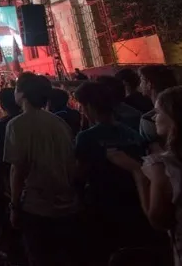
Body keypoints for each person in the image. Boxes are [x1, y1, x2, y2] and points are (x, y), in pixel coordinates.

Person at [108, 87, 182, 266]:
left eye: (159, 112)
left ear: (175, 119)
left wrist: (138, 173)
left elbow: (159, 220)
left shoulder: (166, 166)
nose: (153, 117)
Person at [73, 81, 158, 263]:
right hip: (134, 203)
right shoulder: (132, 132)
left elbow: (79, 173)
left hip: (102, 206)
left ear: (88, 106)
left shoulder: (87, 137)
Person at [4, 73, 82, 266]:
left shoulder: (17, 124)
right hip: (67, 203)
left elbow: (18, 169)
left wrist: (14, 205)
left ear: (22, 94)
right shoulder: (59, 123)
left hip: (36, 206)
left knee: (39, 257)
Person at [138, 65, 178, 151]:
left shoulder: (148, 119)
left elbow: (157, 153)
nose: (140, 85)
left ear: (149, 84)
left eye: (141, 80)